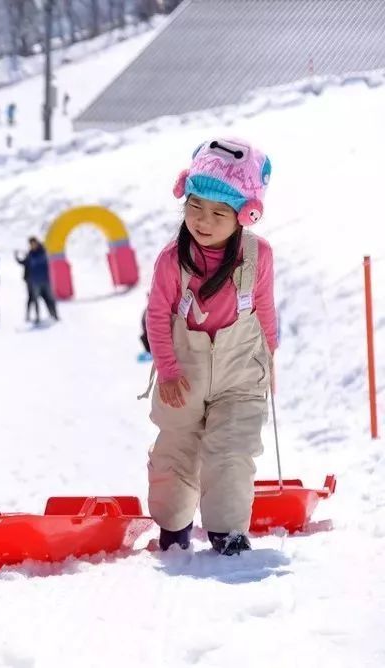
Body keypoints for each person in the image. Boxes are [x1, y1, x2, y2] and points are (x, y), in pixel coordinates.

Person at [144, 138, 276, 556]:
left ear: (245, 215)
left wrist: (268, 359)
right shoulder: (172, 259)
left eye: (219, 213)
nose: (202, 220)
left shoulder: (258, 256)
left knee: (232, 450)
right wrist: (166, 369)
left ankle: (228, 534)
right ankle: (174, 529)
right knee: (176, 451)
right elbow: (156, 314)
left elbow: (265, 309)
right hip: (183, 372)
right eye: (194, 206)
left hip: (240, 371)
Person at [20, 237, 58, 323]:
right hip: (35, 281)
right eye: (31, 244)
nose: (32, 245)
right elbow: (26, 263)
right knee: (35, 300)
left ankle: (55, 315)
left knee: (50, 298)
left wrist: (32, 258)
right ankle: (37, 317)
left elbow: (41, 260)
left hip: (45, 280)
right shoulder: (30, 254)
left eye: (33, 243)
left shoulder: (42, 251)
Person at [15, 248, 39, 322]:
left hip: (33, 281)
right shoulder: (28, 259)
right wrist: (16, 256)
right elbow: (20, 262)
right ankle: (30, 315)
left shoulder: (33, 258)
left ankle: (36, 315)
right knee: (31, 298)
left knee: (33, 298)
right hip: (29, 281)